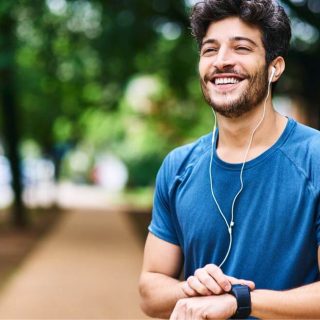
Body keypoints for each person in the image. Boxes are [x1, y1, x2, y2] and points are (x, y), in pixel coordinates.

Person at [139, 0, 320, 319]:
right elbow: (150, 292)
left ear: (274, 67)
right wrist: (194, 288)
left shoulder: (315, 158)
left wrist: (240, 300)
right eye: (210, 50)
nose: (222, 61)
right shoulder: (178, 166)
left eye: (241, 48)